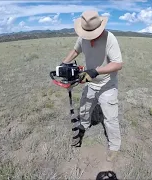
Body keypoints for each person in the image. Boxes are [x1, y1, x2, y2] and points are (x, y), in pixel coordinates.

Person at [61, 10, 123, 162]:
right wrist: (64, 64)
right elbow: (76, 50)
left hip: (107, 84)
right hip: (91, 82)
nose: (89, 36)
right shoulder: (83, 36)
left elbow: (118, 64)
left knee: (110, 118)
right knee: (85, 107)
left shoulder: (109, 38)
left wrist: (96, 71)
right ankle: (85, 125)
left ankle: (114, 146)